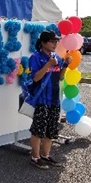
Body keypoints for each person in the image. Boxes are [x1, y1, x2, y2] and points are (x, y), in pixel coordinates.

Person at [28, 31, 72, 169]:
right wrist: (48, 64)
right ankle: (35, 157)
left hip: (54, 98)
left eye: (56, 41)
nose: (55, 44)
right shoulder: (35, 57)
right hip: (42, 99)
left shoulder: (56, 57)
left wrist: (65, 65)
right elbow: (35, 78)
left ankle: (46, 155)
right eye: (52, 41)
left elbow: (59, 77)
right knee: (38, 130)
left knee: (51, 130)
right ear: (43, 43)